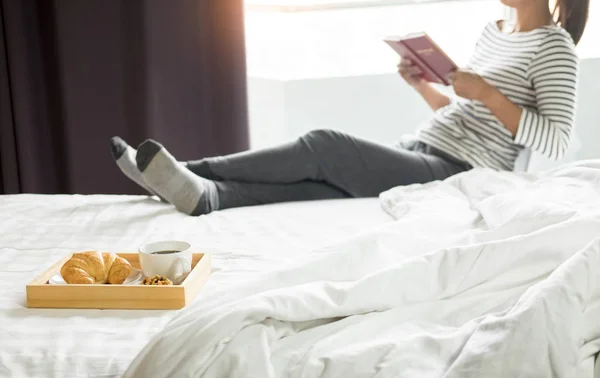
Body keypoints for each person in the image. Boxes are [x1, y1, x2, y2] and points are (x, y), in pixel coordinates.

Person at [110, 0, 589, 216]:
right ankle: (208, 197)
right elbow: (465, 115)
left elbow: (554, 140)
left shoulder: (555, 49)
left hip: (460, 170)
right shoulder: (495, 31)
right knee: (327, 183)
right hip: (427, 145)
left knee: (323, 147)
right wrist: (425, 87)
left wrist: (486, 92)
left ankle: (188, 170)